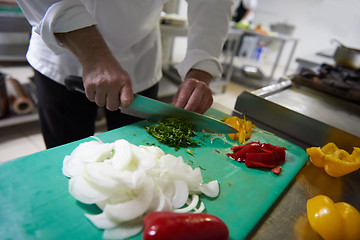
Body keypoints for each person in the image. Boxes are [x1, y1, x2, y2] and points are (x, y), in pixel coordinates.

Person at [15, 0, 232, 149]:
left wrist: (201, 67)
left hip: (139, 60)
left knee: (133, 157)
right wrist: (93, 54)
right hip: (64, 57)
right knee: (64, 155)